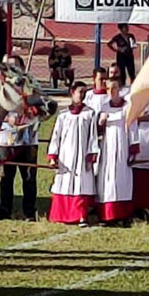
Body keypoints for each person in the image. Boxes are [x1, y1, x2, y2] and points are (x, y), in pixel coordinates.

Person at [0, 55, 39, 221]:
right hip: (5, 139)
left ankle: (29, 211)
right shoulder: (0, 84)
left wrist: (24, 117)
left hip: (28, 139)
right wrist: (7, 118)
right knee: (5, 176)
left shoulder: (31, 84)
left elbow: (39, 106)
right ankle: (6, 208)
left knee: (28, 176)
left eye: (14, 65)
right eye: (6, 65)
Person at [48, 81, 98, 226]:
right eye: (79, 92)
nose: (81, 95)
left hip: (82, 156)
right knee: (64, 183)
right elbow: (56, 136)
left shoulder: (90, 113)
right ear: (72, 92)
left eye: (84, 92)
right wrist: (53, 156)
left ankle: (81, 216)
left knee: (81, 185)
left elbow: (93, 135)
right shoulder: (63, 115)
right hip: (66, 156)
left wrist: (91, 154)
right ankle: (62, 215)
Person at [96, 79, 139, 226]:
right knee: (106, 181)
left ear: (120, 89)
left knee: (122, 180)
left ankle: (124, 215)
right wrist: (100, 123)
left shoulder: (127, 107)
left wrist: (133, 150)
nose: (111, 92)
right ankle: (107, 215)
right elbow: (97, 131)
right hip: (107, 147)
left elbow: (132, 127)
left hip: (122, 146)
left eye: (114, 88)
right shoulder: (104, 107)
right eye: (108, 89)